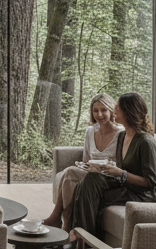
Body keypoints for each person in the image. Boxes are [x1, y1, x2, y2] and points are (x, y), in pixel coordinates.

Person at [59, 92, 156, 249]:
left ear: (128, 112)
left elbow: (152, 182)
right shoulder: (122, 136)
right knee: (86, 183)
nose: (114, 110)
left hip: (144, 194)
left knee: (87, 191)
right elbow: (119, 168)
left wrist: (121, 173)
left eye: (118, 108)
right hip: (126, 185)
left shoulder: (145, 142)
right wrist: (100, 168)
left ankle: (83, 245)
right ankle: (83, 242)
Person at [43, 93, 121, 234]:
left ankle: (61, 220)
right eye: (95, 110)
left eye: (103, 110)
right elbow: (87, 159)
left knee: (69, 173)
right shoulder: (90, 131)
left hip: (108, 177)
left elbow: (121, 165)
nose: (99, 114)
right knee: (69, 176)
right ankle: (64, 224)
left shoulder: (120, 133)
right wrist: (84, 165)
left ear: (111, 110)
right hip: (90, 173)